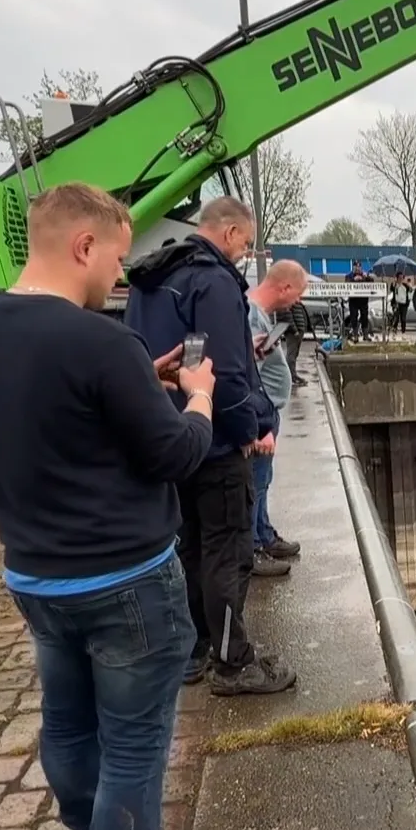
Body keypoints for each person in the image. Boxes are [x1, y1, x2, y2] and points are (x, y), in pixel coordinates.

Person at [0, 182, 214, 830]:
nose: (121, 278)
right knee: (135, 747)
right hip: (126, 580)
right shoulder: (100, 343)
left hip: (36, 576)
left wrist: (145, 376)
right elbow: (173, 455)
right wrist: (196, 401)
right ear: (82, 246)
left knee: (68, 727)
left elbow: (59, 417)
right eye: (117, 257)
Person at [124, 196, 295, 697]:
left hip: (168, 435)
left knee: (189, 548)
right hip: (217, 442)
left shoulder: (150, 279)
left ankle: (196, 651)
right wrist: (252, 430)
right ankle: (233, 662)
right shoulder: (213, 280)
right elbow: (230, 372)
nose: (244, 252)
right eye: (245, 241)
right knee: (228, 551)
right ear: (229, 233)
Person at [247, 261, 309, 569]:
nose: (297, 301)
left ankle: (264, 533)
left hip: (267, 410)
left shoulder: (260, 314)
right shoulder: (250, 314)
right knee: (254, 481)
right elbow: (248, 378)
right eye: (297, 294)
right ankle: (253, 549)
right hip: (260, 414)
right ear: (284, 287)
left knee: (262, 479)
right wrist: (260, 426)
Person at [283, 291, 314, 388]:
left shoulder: (296, 301)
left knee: (294, 354)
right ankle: (291, 377)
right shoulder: (289, 301)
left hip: (299, 331)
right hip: (293, 333)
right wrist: (295, 330)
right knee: (291, 354)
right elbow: (288, 317)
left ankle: (293, 374)